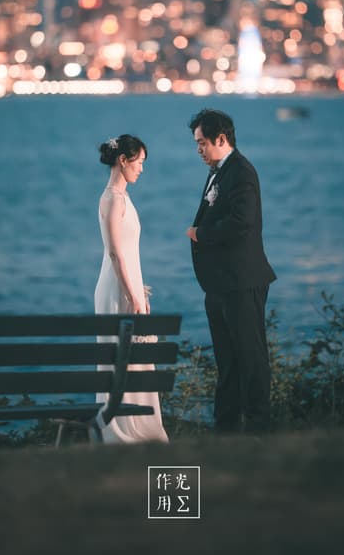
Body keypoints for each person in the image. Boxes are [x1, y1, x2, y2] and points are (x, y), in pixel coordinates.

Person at [186, 109, 276, 434]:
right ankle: (225, 429)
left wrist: (201, 234)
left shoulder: (241, 171)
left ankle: (257, 427)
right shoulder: (218, 172)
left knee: (250, 359)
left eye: (201, 143)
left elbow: (243, 222)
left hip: (242, 281)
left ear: (220, 139)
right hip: (220, 284)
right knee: (228, 362)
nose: (198, 149)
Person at [92, 134, 168, 443]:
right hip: (117, 288)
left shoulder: (123, 197)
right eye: (138, 163)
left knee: (135, 358)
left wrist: (140, 289)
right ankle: (121, 431)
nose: (141, 169)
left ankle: (139, 427)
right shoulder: (112, 198)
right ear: (122, 160)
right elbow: (114, 252)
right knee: (120, 357)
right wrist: (133, 294)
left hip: (129, 285)